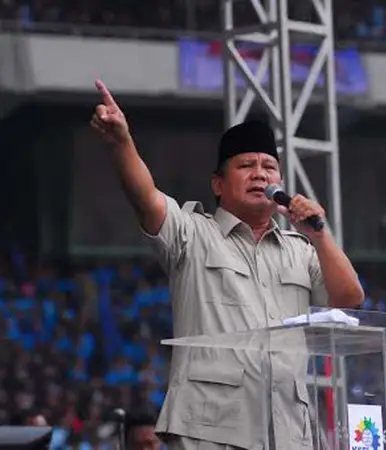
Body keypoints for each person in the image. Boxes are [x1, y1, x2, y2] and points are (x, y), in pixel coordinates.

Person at [89, 80, 364, 450]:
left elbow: (349, 300)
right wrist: (121, 142)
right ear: (218, 184)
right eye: (246, 165)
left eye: (269, 167)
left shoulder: (302, 249)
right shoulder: (192, 234)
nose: (260, 174)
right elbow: (147, 199)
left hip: (287, 431)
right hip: (211, 428)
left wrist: (319, 234)